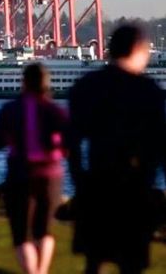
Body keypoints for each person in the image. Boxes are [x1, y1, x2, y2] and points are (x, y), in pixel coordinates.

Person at [68, 24, 166, 274]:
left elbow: (72, 140)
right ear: (137, 50)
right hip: (136, 188)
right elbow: (159, 143)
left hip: (96, 184)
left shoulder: (87, 85)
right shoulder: (149, 91)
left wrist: (80, 179)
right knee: (131, 263)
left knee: (94, 260)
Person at [0, 63, 68, 274]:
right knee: (45, 231)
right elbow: (71, 141)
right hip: (50, 174)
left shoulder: (10, 109)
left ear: (23, 82)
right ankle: (41, 271)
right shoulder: (55, 111)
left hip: (19, 172)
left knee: (21, 234)